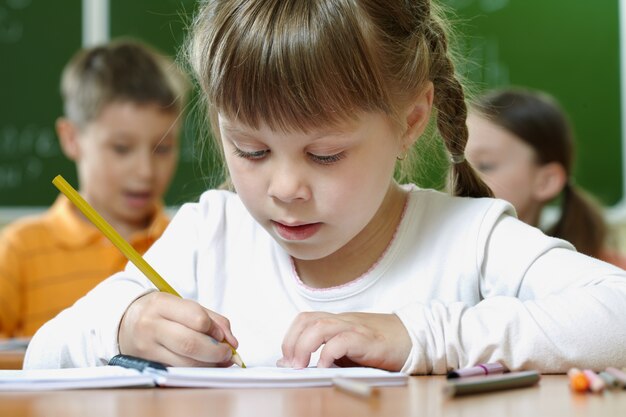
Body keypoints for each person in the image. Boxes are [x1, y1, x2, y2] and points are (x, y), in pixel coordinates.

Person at [24, 0, 626, 374]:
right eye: (251, 150)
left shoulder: (468, 238)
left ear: (409, 121)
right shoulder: (211, 234)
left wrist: (424, 336)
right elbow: (43, 354)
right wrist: (123, 323)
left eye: (326, 154)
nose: (285, 187)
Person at [0, 38, 188, 338]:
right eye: (121, 148)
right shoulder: (18, 251)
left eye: (163, 148)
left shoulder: (186, 244)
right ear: (71, 138)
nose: (145, 171)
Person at [465, 87, 626, 269]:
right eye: (457, 164)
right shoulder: (448, 261)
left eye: (485, 165)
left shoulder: (606, 274)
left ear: (546, 181)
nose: (460, 178)